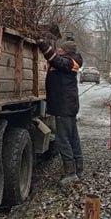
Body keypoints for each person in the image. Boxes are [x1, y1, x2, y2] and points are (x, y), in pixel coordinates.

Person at [37, 39, 84, 185]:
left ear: (67, 51)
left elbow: (55, 60)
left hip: (64, 107)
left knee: (63, 140)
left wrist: (42, 44)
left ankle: (70, 173)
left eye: (61, 49)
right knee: (72, 138)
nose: (58, 50)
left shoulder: (69, 63)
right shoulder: (70, 62)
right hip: (67, 107)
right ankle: (78, 168)